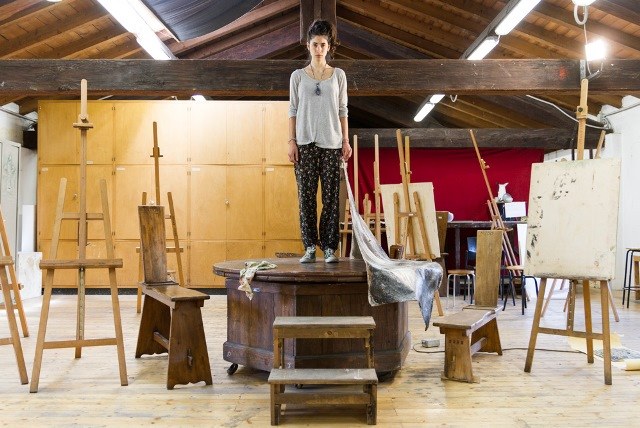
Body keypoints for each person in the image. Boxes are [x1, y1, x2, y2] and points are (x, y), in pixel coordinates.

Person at [288, 19, 352, 264]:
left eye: (323, 45)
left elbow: (343, 110)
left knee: (331, 199)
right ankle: (309, 246)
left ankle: (328, 247)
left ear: (329, 47)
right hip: (304, 144)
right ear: (308, 45)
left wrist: (345, 141)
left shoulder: (339, 75)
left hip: (332, 144)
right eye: (315, 44)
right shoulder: (297, 77)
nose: (318, 49)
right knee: (305, 198)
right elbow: (293, 110)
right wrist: (291, 141)